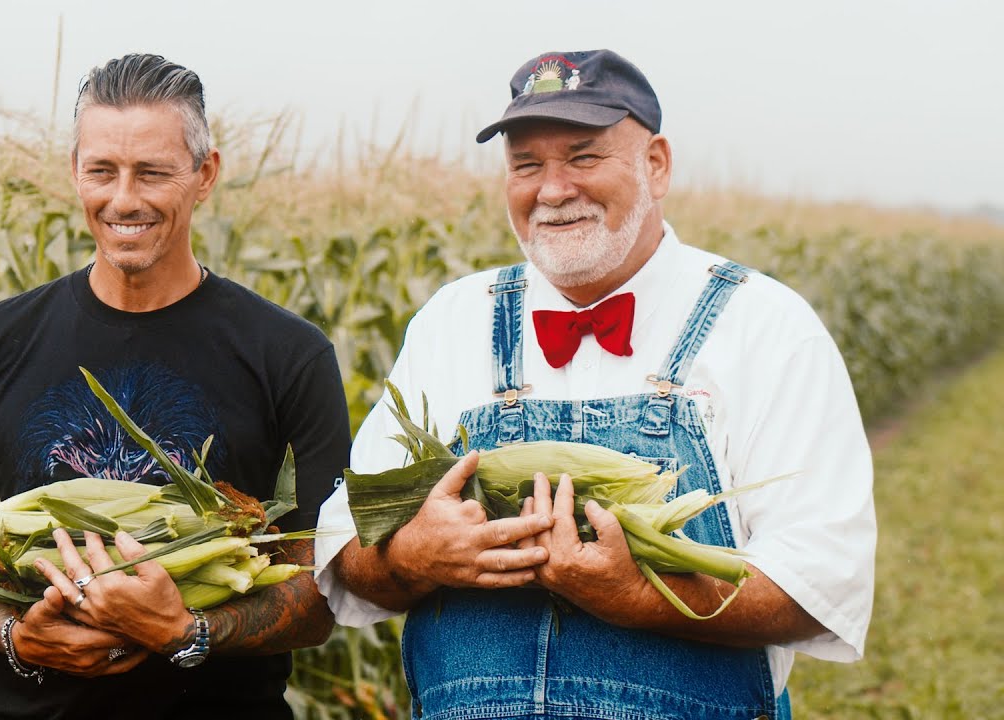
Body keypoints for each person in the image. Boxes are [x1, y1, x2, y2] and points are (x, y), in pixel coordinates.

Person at [315, 49, 875, 719]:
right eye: (527, 165)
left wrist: (641, 596)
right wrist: (413, 554)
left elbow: (820, 579)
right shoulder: (451, 321)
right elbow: (344, 547)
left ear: (657, 164)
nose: (552, 190)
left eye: (582, 157)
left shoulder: (765, 327)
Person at [0, 53, 351, 720]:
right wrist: (18, 638)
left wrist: (187, 633)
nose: (123, 199)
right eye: (101, 170)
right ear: (75, 171)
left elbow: (322, 588)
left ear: (205, 175)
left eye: (153, 172)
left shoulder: (290, 355)